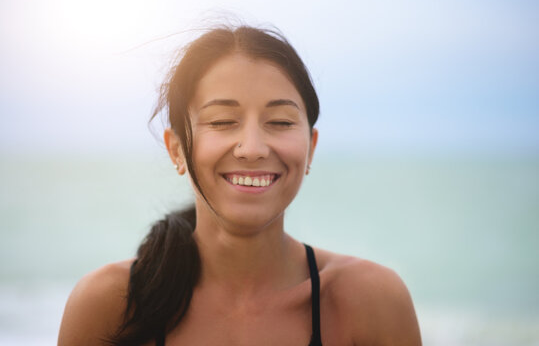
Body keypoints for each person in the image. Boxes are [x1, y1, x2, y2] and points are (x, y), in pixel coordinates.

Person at [58, 25, 422, 346]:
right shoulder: (111, 303)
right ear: (177, 150)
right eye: (222, 121)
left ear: (310, 148)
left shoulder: (370, 302)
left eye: (279, 121)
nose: (252, 148)